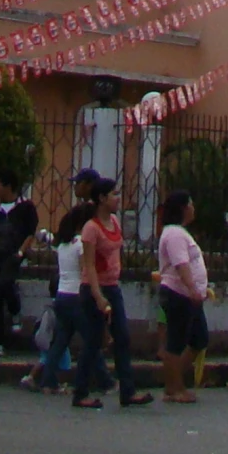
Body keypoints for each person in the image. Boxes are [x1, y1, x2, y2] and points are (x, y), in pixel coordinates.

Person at [74, 167, 151, 408]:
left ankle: (127, 391)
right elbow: (89, 266)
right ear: (101, 199)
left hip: (112, 287)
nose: (118, 198)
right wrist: (98, 297)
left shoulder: (115, 222)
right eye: (113, 194)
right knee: (94, 341)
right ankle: (81, 392)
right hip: (94, 289)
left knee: (122, 338)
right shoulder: (91, 228)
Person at [24, 200, 94, 395]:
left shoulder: (63, 245)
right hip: (76, 296)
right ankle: (104, 381)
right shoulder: (80, 244)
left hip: (62, 296)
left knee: (60, 341)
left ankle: (47, 381)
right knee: (91, 339)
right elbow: (84, 270)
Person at [156, 189, 209, 404]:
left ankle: (175, 379)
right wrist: (192, 288)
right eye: (191, 204)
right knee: (176, 342)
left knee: (199, 338)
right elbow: (181, 264)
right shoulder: (175, 234)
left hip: (187, 294)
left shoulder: (179, 233)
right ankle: (174, 387)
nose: (193, 208)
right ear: (183, 208)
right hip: (179, 293)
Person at [0, 171, 38, 355]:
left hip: (13, 254)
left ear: (8, 186)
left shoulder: (25, 207)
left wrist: (21, 252)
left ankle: (15, 310)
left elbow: (30, 232)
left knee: (5, 282)